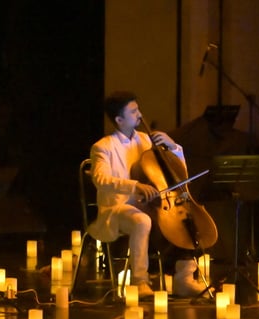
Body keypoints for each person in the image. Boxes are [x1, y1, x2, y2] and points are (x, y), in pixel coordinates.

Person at [89, 91, 207, 299]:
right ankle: (140, 282)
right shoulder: (103, 147)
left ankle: (184, 279)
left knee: (180, 221)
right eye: (133, 111)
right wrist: (134, 186)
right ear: (119, 119)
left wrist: (173, 146)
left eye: (138, 109)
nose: (140, 115)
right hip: (118, 208)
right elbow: (100, 179)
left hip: (150, 203)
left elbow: (176, 170)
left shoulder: (145, 140)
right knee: (142, 220)